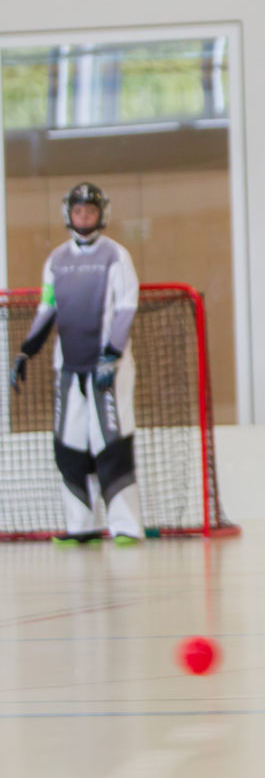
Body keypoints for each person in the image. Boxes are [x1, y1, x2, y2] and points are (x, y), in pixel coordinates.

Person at [9, 182, 144, 546]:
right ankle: (80, 525)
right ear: (68, 214)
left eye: (90, 212)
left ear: (102, 215)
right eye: (78, 212)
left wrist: (111, 355)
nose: (84, 218)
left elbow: (126, 308)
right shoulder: (56, 260)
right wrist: (26, 351)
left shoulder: (117, 256)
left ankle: (125, 526)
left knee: (111, 442)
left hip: (108, 371)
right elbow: (47, 309)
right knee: (69, 445)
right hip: (68, 369)